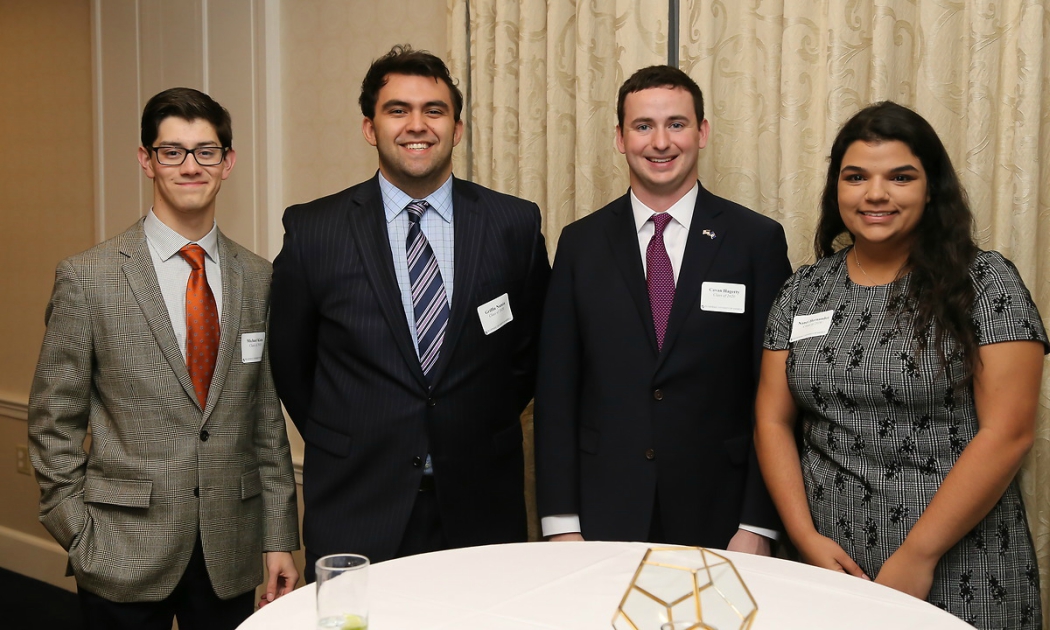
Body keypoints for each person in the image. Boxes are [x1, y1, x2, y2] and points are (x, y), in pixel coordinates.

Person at [754, 101, 1045, 628]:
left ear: (931, 188)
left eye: (900, 177)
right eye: (856, 177)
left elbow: (1010, 432)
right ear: (836, 189)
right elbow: (772, 420)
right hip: (830, 562)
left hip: (961, 562)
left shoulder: (985, 282)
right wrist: (804, 538)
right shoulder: (804, 289)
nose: (876, 194)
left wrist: (919, 554)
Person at [269, 45, 550, 574]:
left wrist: (465, 422)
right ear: (369, 128)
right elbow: (292, 362)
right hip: (358, 501)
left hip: (479, 503)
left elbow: (529, 354)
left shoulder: (513, 224)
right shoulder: (314, 230)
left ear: (458, 128)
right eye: (397, 110)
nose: (416, 125)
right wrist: (351, 433)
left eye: (434, 111)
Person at [27, 87, 300, 630]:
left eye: (205, 150)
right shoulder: (88, 276)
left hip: (231, 548)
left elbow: (265, 423)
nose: (190, 165)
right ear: (146, 160)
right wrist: (79, 534)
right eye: (171, 151)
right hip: (119, 549)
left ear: (228, 161)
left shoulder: (259, 277)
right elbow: (52, 423)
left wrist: (279, 538)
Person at [533, 65, 791, 552]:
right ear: (619, 138)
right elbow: (556, 390)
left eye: (676, 123)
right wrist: (560, 521)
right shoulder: (580, 244)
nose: (660, 142)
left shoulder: (755, 241)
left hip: (721, 512)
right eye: (643, 126)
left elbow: (774, 391)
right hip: (601, 513)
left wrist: (757, 524)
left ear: (702, 132)